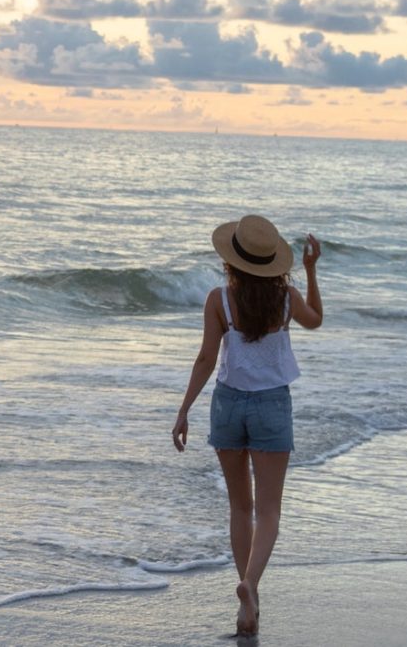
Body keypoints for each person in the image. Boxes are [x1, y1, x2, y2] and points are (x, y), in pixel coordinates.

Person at [171, 215, 322, 637]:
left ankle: (248, 602)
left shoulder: (218, 300)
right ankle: (251, 587)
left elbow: (205, 360)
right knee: (270, 511)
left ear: (232, 261)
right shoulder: (287, 298)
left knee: (241, 508)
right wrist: (310, 271)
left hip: (227, 406)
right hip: (272, 406)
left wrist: (184, 411)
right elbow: (316, 320)